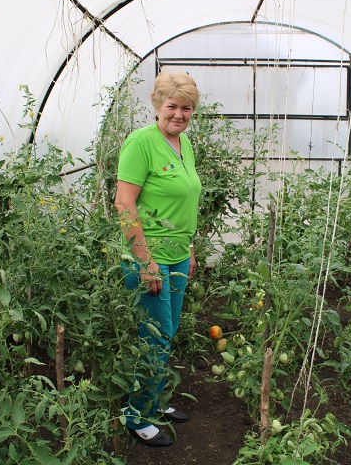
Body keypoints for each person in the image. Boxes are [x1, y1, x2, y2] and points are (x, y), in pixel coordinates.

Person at [114, 69, 202, 447]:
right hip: (149, 260)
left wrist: (190, 248)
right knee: (156, 338)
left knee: (168, 333)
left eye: (186, 108)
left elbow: (184, 200)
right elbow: (124, 203)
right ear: (157, 105)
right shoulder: (141, 142)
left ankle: (156, 399)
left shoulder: (184, 145)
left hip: (178, 257)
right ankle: (137, 415)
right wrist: (146, 260)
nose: (179, 114)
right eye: (172, 106)